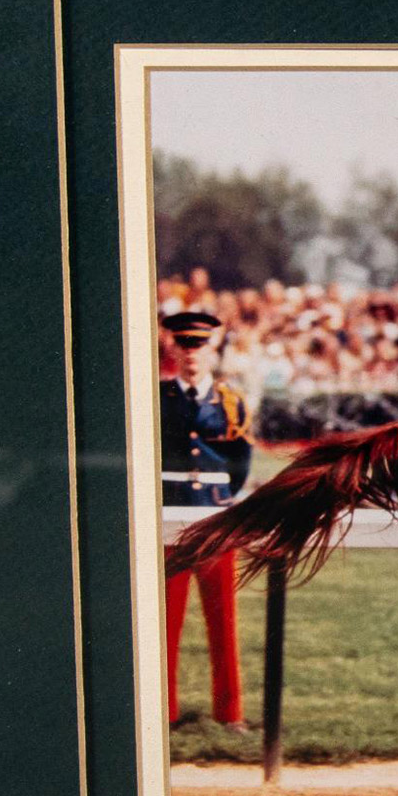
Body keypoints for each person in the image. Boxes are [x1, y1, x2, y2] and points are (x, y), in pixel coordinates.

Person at [160, 308, 255, 727]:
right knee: (165, 621)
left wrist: (222, 502)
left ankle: (229, 714)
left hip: (215, 520)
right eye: (183, 343)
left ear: (212, 347)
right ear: (172, 347)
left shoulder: (229, 401)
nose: (191, 352)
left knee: (223, 620)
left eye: (198, 343)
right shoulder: (156, 398)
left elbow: (240, 462)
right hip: (168, 517)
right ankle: (164, 711)